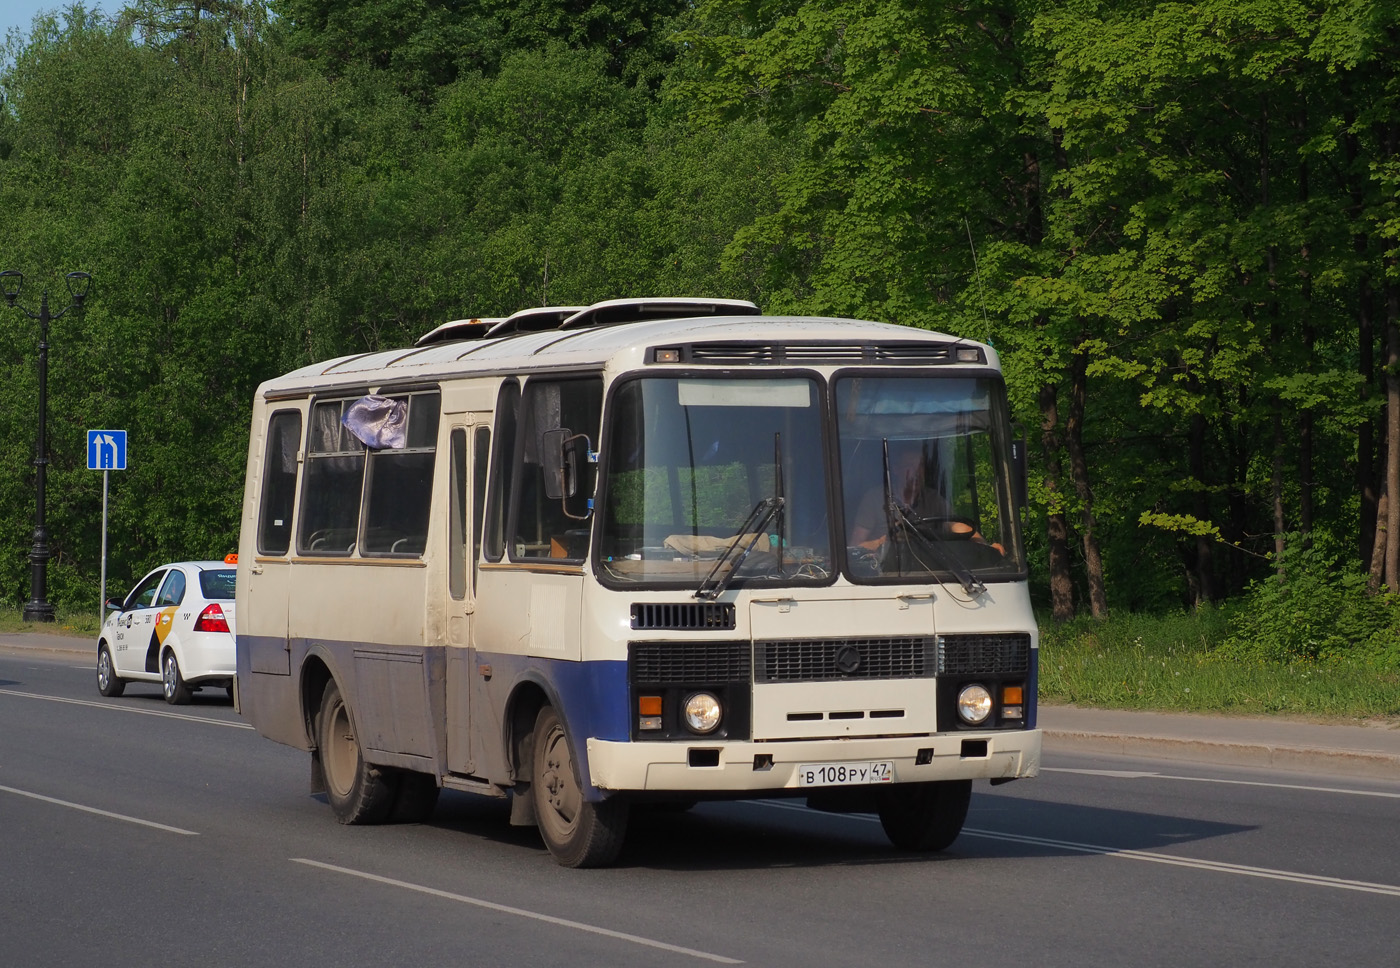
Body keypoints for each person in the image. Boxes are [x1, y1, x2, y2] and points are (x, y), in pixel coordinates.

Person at [847, 441, 1002, 555]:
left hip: (928, 572)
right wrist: (882, 543)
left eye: (920, 466)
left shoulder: (932, 498)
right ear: (895, 469)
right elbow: (855, 547)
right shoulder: (875, 499)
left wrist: (987, 548)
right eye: (910, 465)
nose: (916, 472)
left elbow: (958, 526)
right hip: (885, 575)